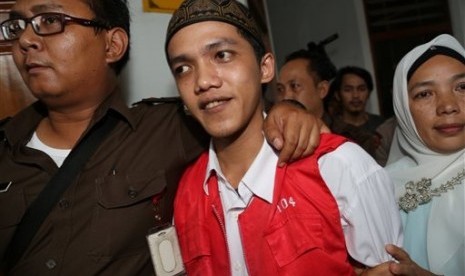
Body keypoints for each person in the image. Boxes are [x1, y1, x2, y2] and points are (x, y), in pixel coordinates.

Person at [0, 0, 326, 275]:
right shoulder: (4, 148)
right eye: (16, 27)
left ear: (112, 45)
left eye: (51, 20)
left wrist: (287, 109)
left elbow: (239, 106)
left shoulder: (168, 129)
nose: (26, 39)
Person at [165, 0, 402, 275]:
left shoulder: (338, 166)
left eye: (222, 55)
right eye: (183, 68)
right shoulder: (187, 192)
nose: (203, 81)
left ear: (265, 68)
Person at [381, 34, 464, 276]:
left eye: (462, 87)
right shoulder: (380, 184)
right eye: (425, 94)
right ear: (403, 108)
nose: (448, 106)